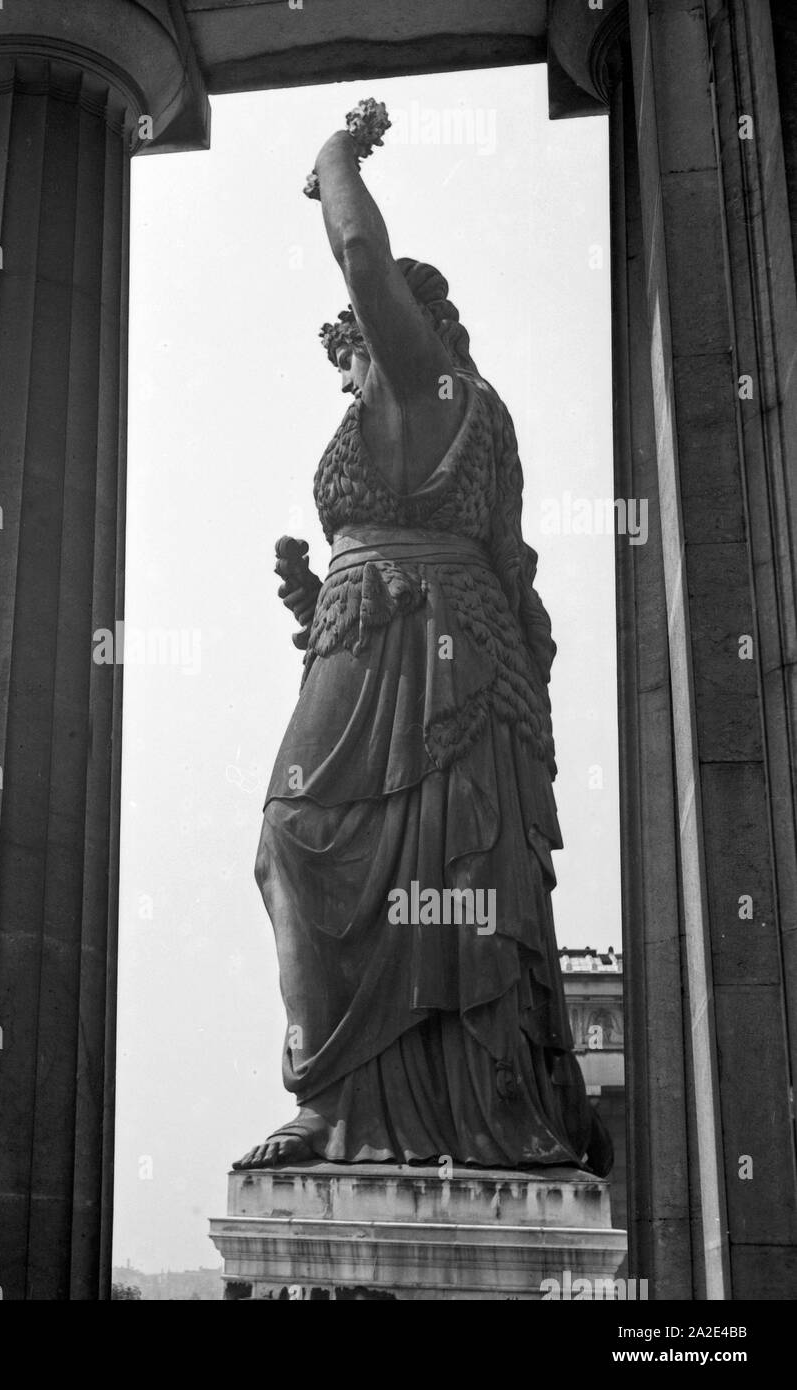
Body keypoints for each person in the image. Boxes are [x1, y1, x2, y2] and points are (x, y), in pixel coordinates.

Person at [235, 129, 611, 1176]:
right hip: (390, 636)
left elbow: (358, 255)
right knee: (388, 862)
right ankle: (369, 1101)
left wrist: (333, 161)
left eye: (350, 349)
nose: (347, 373)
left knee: (293, 840)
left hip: (415, 635)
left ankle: (332, 1096)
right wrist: (319, 599)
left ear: (397, 328)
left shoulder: (428, 382)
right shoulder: (466, 418)